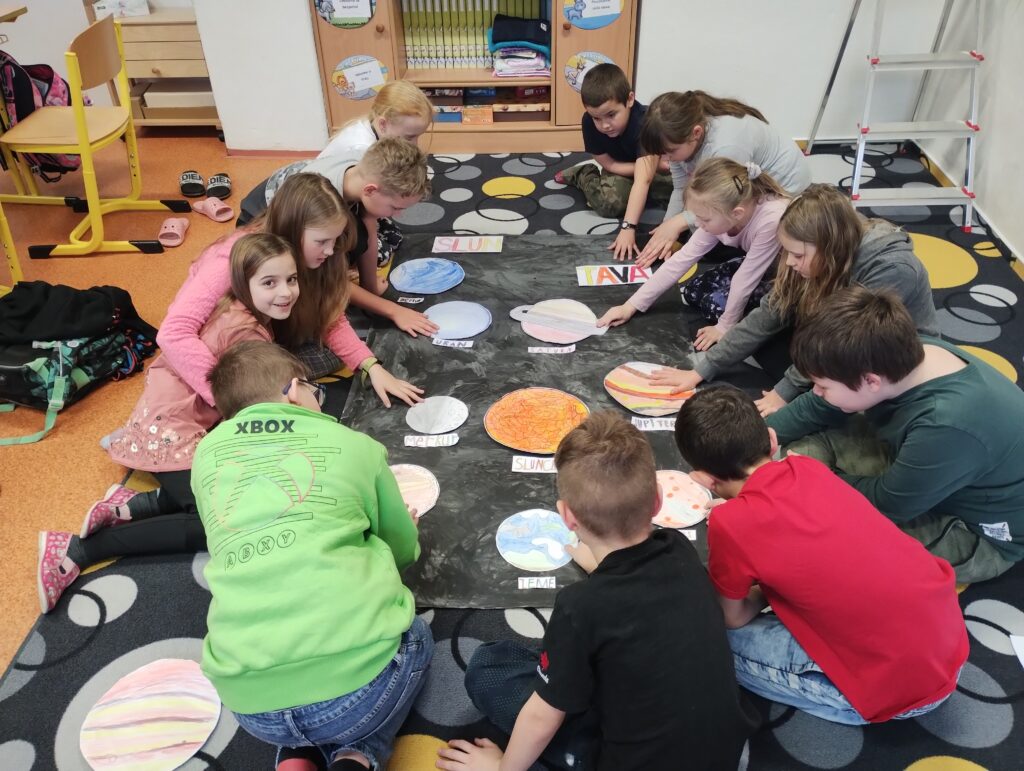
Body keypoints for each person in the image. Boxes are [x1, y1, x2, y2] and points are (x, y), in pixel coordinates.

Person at [437, 412, 756, 771]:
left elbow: (542, 717)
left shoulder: (580, 607)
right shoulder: (679, 548)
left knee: (488, 667)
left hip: (632, 761)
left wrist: (501, 769)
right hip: (723, 751)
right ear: (657, 501)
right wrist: (600, 565)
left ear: (566, 517)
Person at [192, 340, 432, 771]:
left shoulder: (206, 454)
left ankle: (296, 755)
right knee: (416, 637)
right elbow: (399, 548)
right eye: (315, 391)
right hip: (356, 696)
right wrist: (407, 536)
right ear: (293, 390)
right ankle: (358, 756)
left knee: (296, 709)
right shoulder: (353, 444)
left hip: (249, 704)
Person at [37, 233, 301, 613]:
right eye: (270, 282)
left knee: (227, 489)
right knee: (221, 521)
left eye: (291, 279)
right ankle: (76, 549)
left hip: (163, 420)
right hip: (170, 433)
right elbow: (251, 411)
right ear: (244, 284)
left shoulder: (236, 311)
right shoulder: (245, 331)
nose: (286, 292)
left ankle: (133, 506)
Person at [675, 385, 968, 725]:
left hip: (904, 690)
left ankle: (844, 704)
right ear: (772, 441)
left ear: (704, 480)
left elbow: (733, 617)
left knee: (706, 636)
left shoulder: (730, 523)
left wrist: (763, 591)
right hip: (949, 641)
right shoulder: (809, 468)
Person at [767, 286, 1024, 583]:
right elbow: (818, 406)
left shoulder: (944, 425)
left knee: (833, 539)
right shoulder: (897, 352)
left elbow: (887, 506)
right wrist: (759, 438)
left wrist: (811, 480)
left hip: (978, 533)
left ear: (871, 381)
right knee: (804, 455)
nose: (816, 391)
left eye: (823, 386)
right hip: (930, 467)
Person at [648, 184, 939, 416]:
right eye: (787, 252)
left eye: (798, 255)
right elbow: (768, 315)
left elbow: (840, 344)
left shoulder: (892, 270)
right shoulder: (820, 252)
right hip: (835, 330)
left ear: (830, 249)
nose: (789, 263)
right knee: (766, 336)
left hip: (886, 358)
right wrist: (703, 369)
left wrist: (783, 393)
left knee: (835, 400)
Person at [158, 172, 423, 403]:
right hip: (221, 356)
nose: (330, 251)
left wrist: (371, 367)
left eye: (334, 240)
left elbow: (330, 314)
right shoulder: (231, 258)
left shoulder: (315, 254)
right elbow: (173, 333)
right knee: (282, 380)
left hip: (266, 333)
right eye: (322, 242)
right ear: (293, 230)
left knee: (329, 358)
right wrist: (229, 398)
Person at [239, 137, 439, 339]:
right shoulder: (324, 205)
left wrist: (370, 286)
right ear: (370, 190)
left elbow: (369, 220)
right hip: (261, 215)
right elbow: (329, 278)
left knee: (385, 236)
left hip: (313, 204)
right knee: (332, 261)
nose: (399, 214)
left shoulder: (367, 174)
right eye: (395, 207)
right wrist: (393, 310)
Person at [598, 157, 788, 350]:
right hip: (756, 263)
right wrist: (630, 306)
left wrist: (725, 326)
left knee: (715, 307)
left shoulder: (770, 220)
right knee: (693, 292)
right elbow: (680, 261)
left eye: (704, 219)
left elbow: (746, 278)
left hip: (787, 277)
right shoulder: (721, 213)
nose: (697, 223)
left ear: (736, 213)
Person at [636, 90, 811, 265]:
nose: (666, 159)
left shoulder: (725, 147)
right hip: (739, 188)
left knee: (718, 243)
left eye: (670, 152)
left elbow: (723, 201)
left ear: (696, 133)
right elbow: (680, 188)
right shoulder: (678, 142)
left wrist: (679, 224)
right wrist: (667, 227)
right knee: (698, 230)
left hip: (785, 186)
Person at [553, 63, 673, 256]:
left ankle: (639, 197)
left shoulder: (645, 123)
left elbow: (644, 180)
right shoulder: (588, 122)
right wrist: (627, 228)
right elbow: (608, 163)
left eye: (611, 115)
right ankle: (582, 174)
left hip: (651, 170)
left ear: (630, 99)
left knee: (684, 194)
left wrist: (651, 168)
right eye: (597, 118)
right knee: (609, 205)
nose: (605, 125)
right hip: (620, 167)